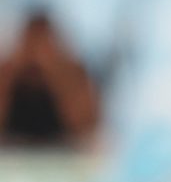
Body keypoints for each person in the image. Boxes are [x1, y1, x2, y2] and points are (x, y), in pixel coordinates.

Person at [0, 8, 102, 149]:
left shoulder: (73, 72)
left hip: (64, 159)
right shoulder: (8, 72)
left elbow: (87, 127)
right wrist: (13, 71)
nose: (36, 52)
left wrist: (56, 72)